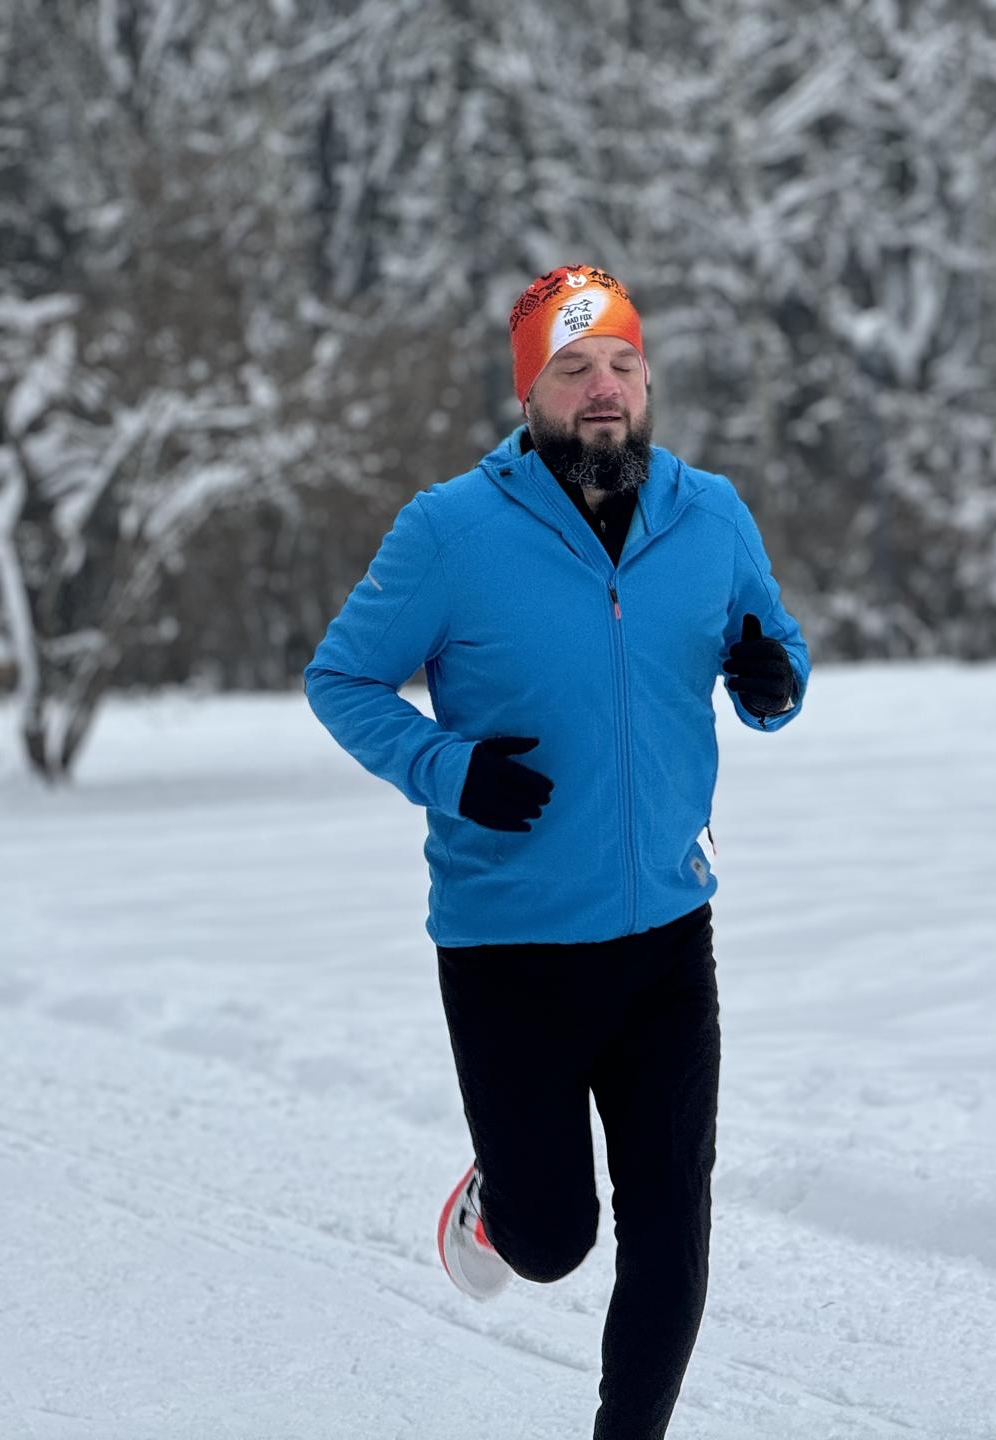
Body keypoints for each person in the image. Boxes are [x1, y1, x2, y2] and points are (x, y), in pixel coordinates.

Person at [304, 262, 809, 1439]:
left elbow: (771, 650)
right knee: (552, 1240)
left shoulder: (711, 515)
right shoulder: (451, 532)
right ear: (529, 391)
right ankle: (496, 1208)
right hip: (510, 948)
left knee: (673, 1228)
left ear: (648, 382)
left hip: (669, 938)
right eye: (573, 369)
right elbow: (340, 678)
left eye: (623, 367)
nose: (604, 393)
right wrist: (450, 767)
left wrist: (773, 681)